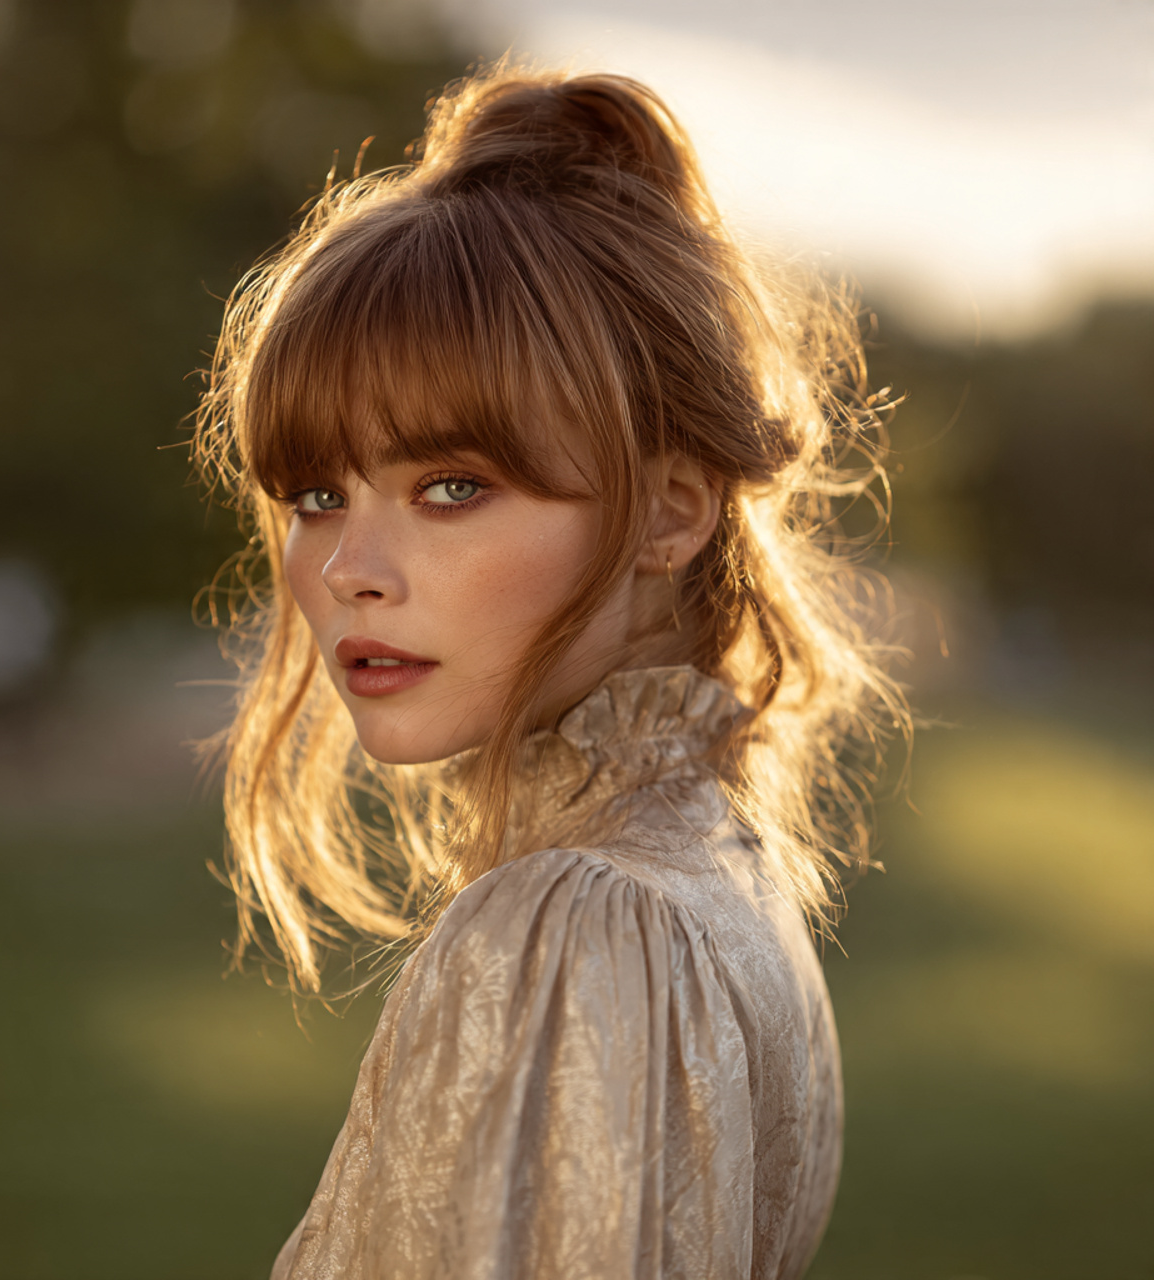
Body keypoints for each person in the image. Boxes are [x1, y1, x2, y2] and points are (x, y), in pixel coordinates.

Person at [195, 61, 905, 1280]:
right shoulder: (706, 864)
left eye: (451, 486)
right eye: (316, 493)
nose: (348, 567)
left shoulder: (580, 922)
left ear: (667, 513)